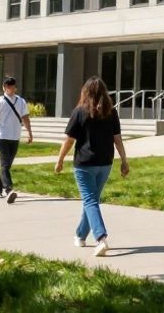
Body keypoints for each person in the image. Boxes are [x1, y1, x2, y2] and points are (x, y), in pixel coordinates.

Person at [54, 76, 128, 257]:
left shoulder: (80, 111)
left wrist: (60, 160)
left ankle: (101, 238)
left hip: (85, 164)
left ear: (85, 92)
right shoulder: (111, 112)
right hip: (105, 163)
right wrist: (124, 161)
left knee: (90, 201)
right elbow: (117, 139)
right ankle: (80, 235)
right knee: (92, 200)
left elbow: (69, 140)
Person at [0, 76, 34, 203]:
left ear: (15, 88)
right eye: (7, 86)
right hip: (1, 136)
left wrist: (29, 133)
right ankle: (9, 189)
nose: (10, 89)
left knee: (6, 165)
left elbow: (25, 118)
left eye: (12, 86)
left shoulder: (21, 101)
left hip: (15, 137)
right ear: (4, 88)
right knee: (5, 163)